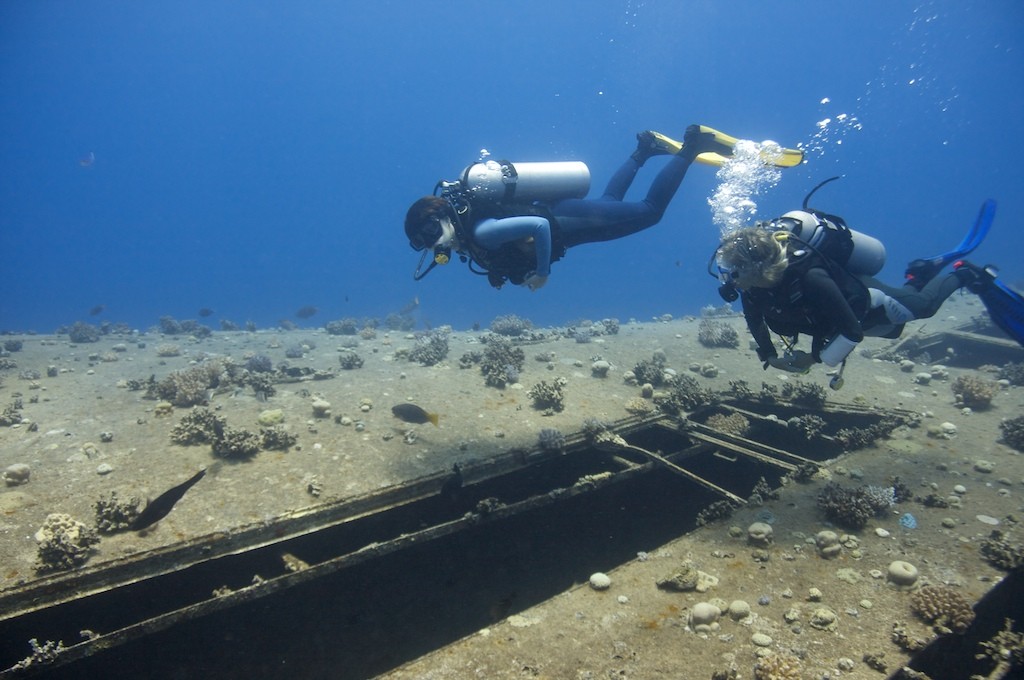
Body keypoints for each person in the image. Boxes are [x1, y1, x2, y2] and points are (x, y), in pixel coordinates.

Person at [404, 125, 803, 290]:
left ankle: (694, 144)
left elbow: (540, 231)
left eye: (428, 235)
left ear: (440, 218)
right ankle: (643, 151)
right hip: (569, 216)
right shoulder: (473, 235)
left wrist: (541, 273)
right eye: (425, 244)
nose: (433, 245)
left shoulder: (480, 232)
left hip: (564, 222)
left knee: (649, 211)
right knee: (611, 203)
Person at [712, 199, 1021, 375]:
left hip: (867, 300)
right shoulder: (753, 286)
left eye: (733, 270)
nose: (729, 279)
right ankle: (919, 273)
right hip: (830, 320)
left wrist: (814, 359)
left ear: (759, 268)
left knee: (921, 307)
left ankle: (964, 274)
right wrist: (769, 355)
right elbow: (754, 319)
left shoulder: (809, 276)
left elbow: (851, 331)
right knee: (895, 327)